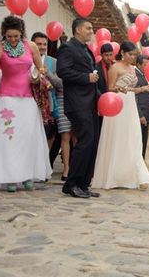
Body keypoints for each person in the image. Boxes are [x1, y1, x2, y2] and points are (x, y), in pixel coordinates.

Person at [0, 16, 51, 191]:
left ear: (22, 34)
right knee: (7, 139)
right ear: (4, 35)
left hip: (28, 98)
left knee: (27, 137)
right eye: (9, 36)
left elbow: (40, 68)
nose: (13, 40)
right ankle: (10, 177)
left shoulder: (32, 47)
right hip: (6, 98)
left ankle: (27, 174)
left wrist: (39, 75)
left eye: (16, 36)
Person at [92, 41, 149, 190]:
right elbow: (109, 88)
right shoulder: (115, 67)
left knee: (133, 138)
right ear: (123, 53)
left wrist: (143, 88)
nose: (132, 57)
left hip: (130, 104)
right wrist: (119, 88)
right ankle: (113, 175)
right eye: (130, 54)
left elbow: (132, 90)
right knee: (117, 137)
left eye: (134, 55)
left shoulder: (133, 69)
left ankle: (132, 175)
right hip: (117, 104)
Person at [56, 18, 100, 199]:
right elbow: (63, 72)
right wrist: (86, 77)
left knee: (92, 142)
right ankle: (72, 183)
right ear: (78, 30)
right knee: (85, 142)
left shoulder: (86, 49)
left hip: (90, 103)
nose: (91, 31)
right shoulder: (67, 47)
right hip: (76, 103)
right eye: (88, 28)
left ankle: (83, 183)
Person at [32, 31, 70, 180]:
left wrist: (49, 76)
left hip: (49, 104)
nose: (42, 47)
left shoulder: (53, 62)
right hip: (29, 101)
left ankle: (42, 167)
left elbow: (61, 84)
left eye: (44, 44)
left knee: (49, 136)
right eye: (38, 44)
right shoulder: (26, 59)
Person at [134, 54, 149, 157]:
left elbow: (146, 94)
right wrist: (140, 115)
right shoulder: (135, 76)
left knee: (144, 141)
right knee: (139, 142)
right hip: (140, 114)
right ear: (138, 64)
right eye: (145, 65)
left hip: (147, 113)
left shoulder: (145, 76)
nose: (148, 67)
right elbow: (135, 97)